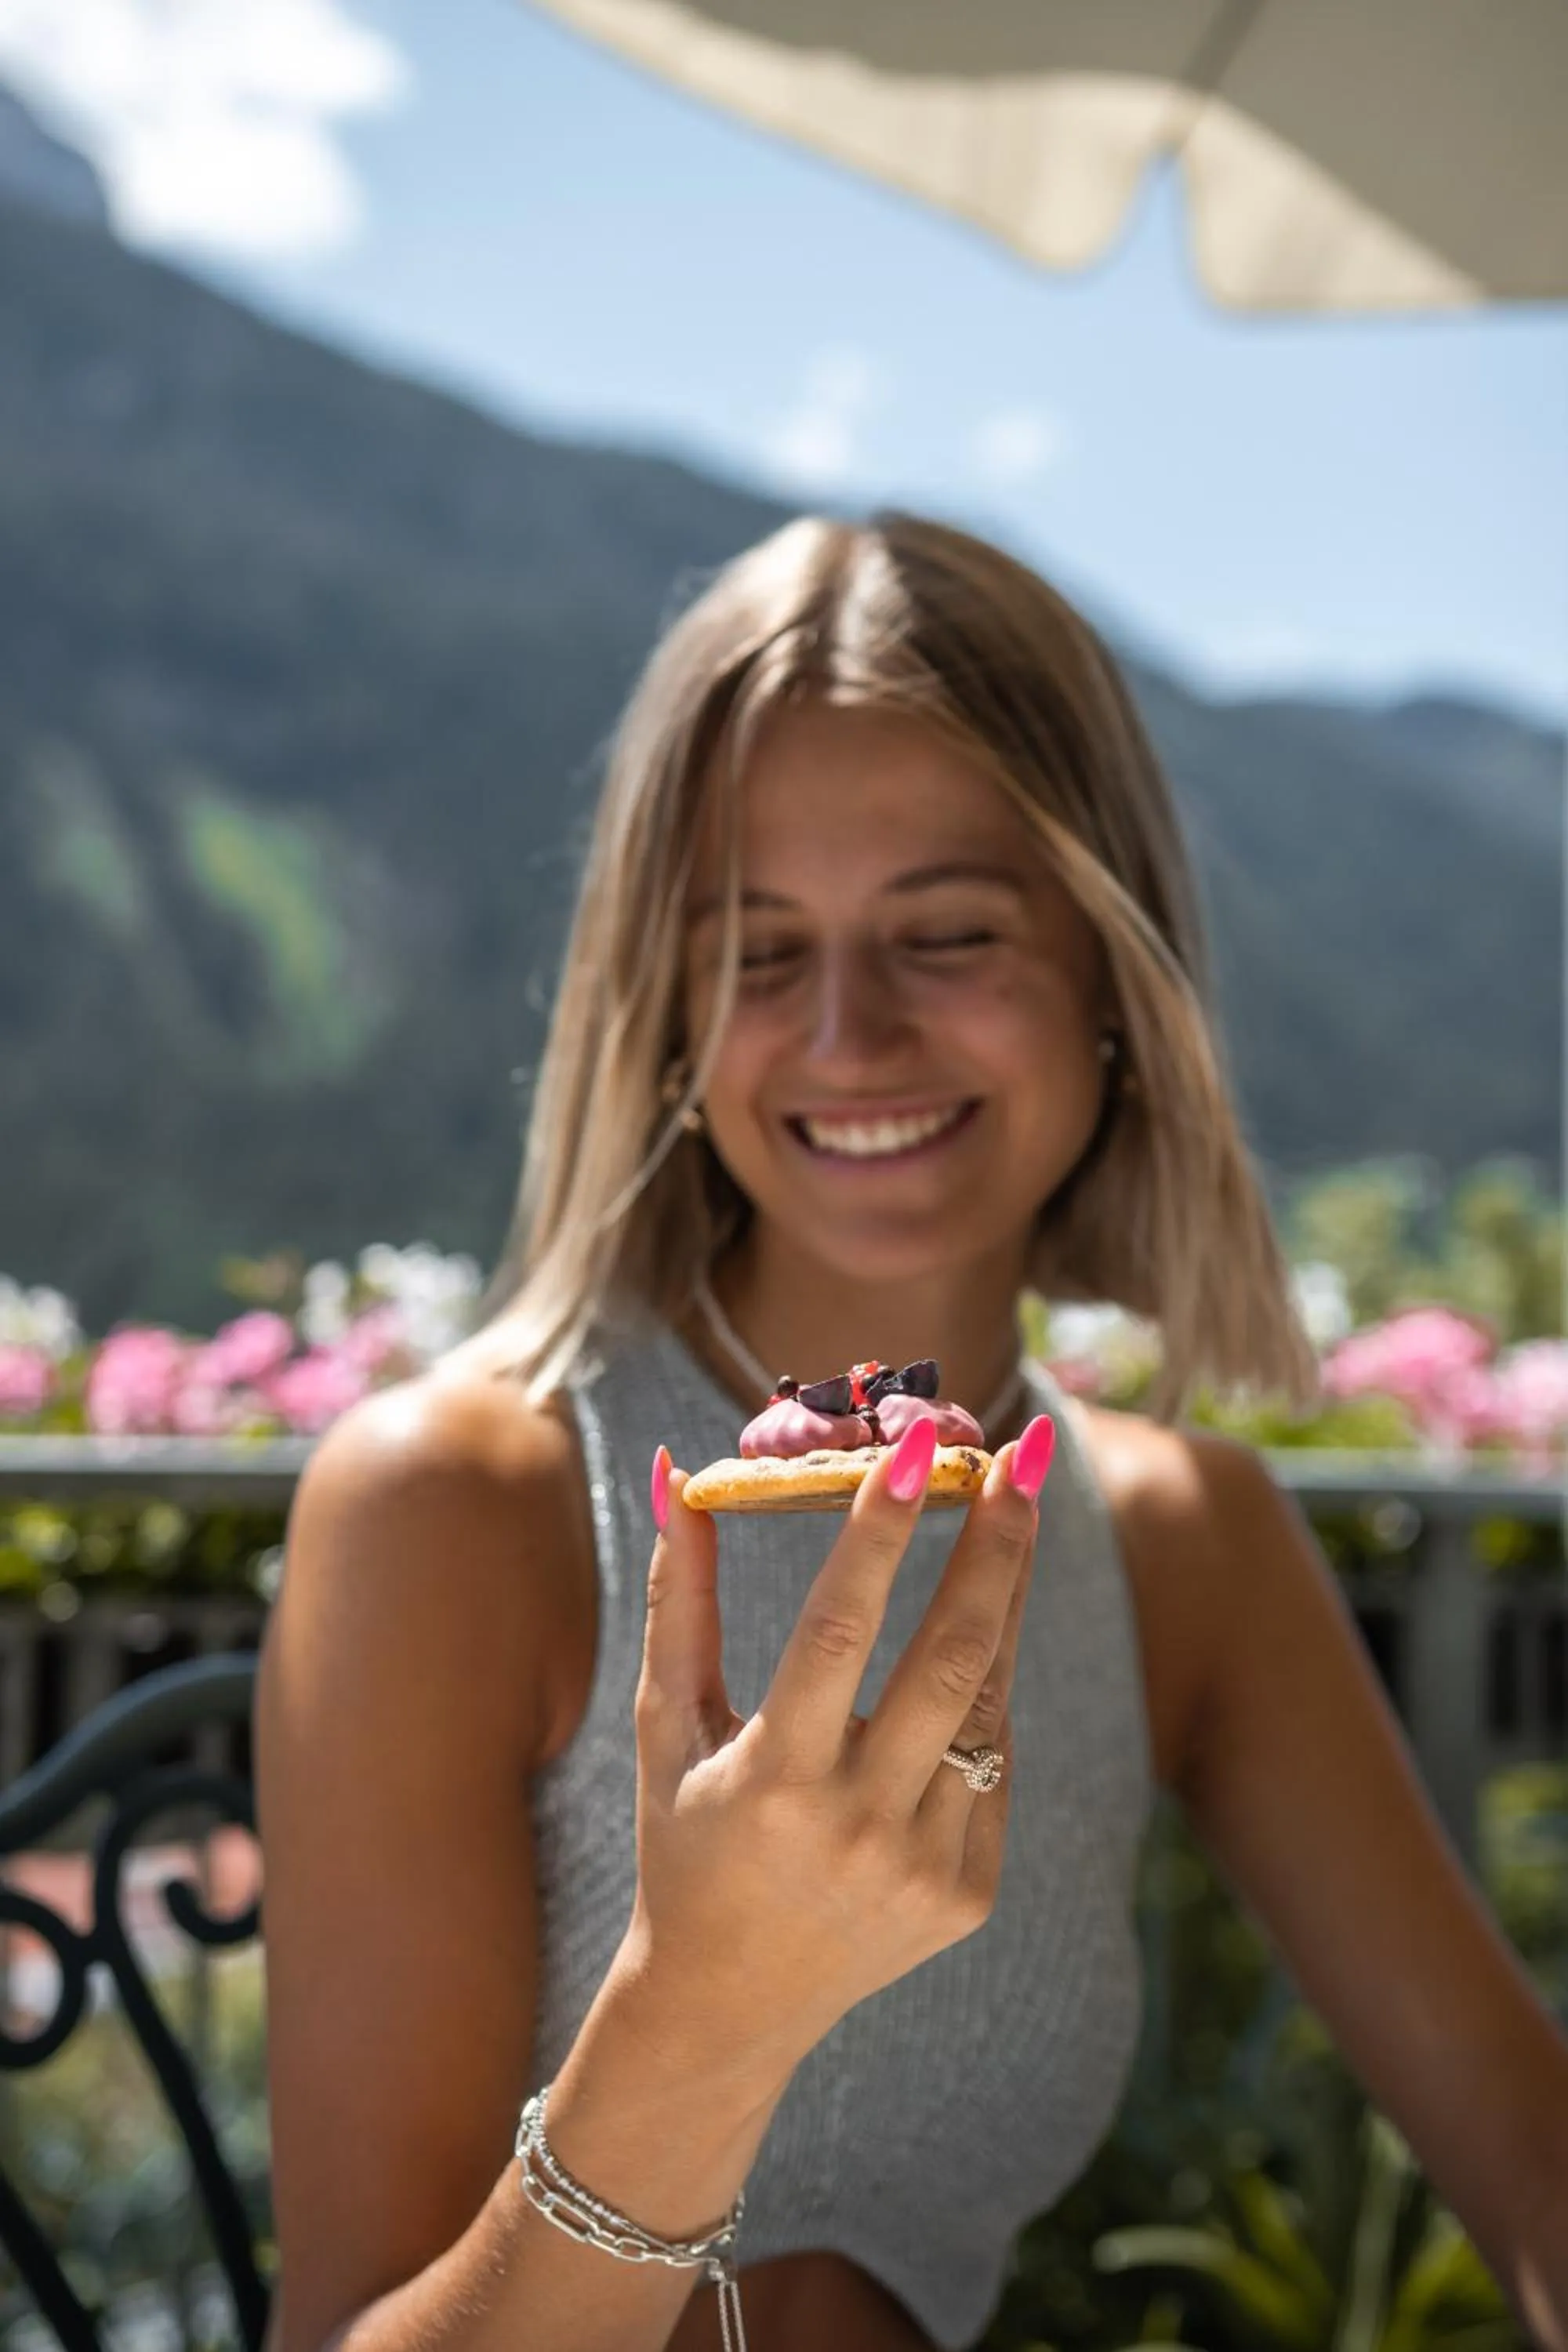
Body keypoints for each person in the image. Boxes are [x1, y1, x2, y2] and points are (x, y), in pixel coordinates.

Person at [255, 514, 1568, 2352]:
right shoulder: (463, 1507)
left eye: (948, 935)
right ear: (663, 1018)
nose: (850, 1032)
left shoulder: (1183, 1547)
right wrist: (704, 2014)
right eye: (755, 952)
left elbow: (1534, 2165)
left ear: (1115, 977)